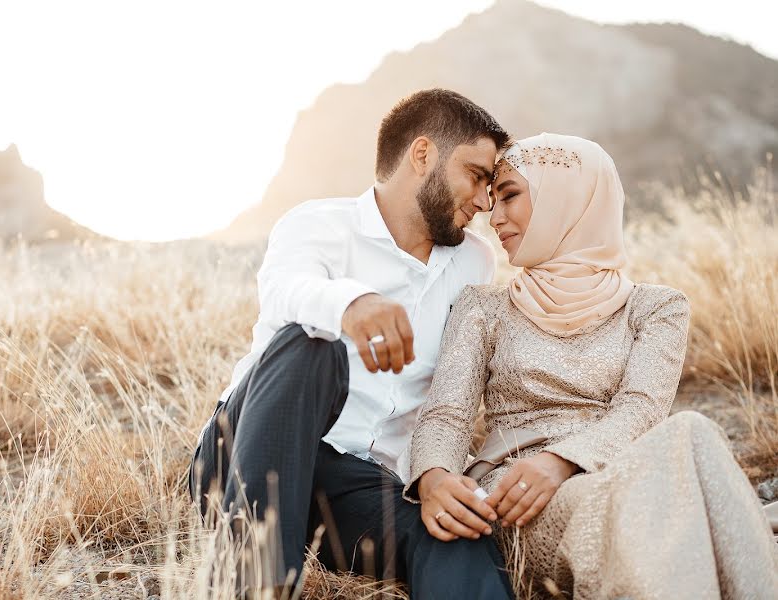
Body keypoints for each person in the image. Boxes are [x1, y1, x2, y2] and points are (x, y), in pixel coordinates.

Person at [406, 133, 778, 598]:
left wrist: (562, 460)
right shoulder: (483, 308)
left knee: (692, 431)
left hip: (616, 470)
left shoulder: (657, 307)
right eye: (493, 201)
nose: (495, 218)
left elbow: (642, 410)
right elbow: (447, 415)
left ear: (572, 199)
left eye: (511, 197)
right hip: (522, 495)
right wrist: (434, 478)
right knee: (648, 506)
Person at [188, 89, 515, 598]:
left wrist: (433, 478)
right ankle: (254, 581)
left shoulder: (475, 262)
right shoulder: (318, 223)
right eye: (475, 176)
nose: (483, 200)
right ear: (423, 154)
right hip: (248, 455)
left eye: (491, 186)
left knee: (457, 527)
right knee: (310, 343)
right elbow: (282, 291)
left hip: (359, 483)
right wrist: (352, 304)